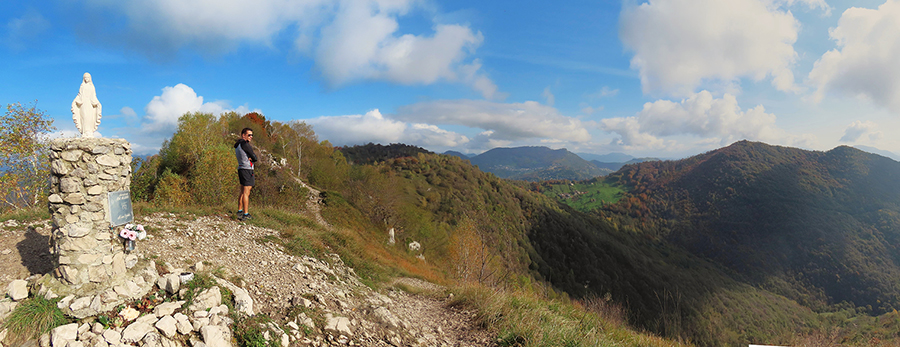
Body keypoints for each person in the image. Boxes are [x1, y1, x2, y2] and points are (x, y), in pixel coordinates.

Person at [235, 128, 258, 220]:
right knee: (246, 192)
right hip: (247, 169)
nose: (251, 137)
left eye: (252, 135)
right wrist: (252, 158)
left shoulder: (237, 145)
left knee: (242, 191)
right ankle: (245, 214)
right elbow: (254, 157)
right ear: (243, 135)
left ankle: (240, 211)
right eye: (249, 135)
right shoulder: (245, 144)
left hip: (241, 168)